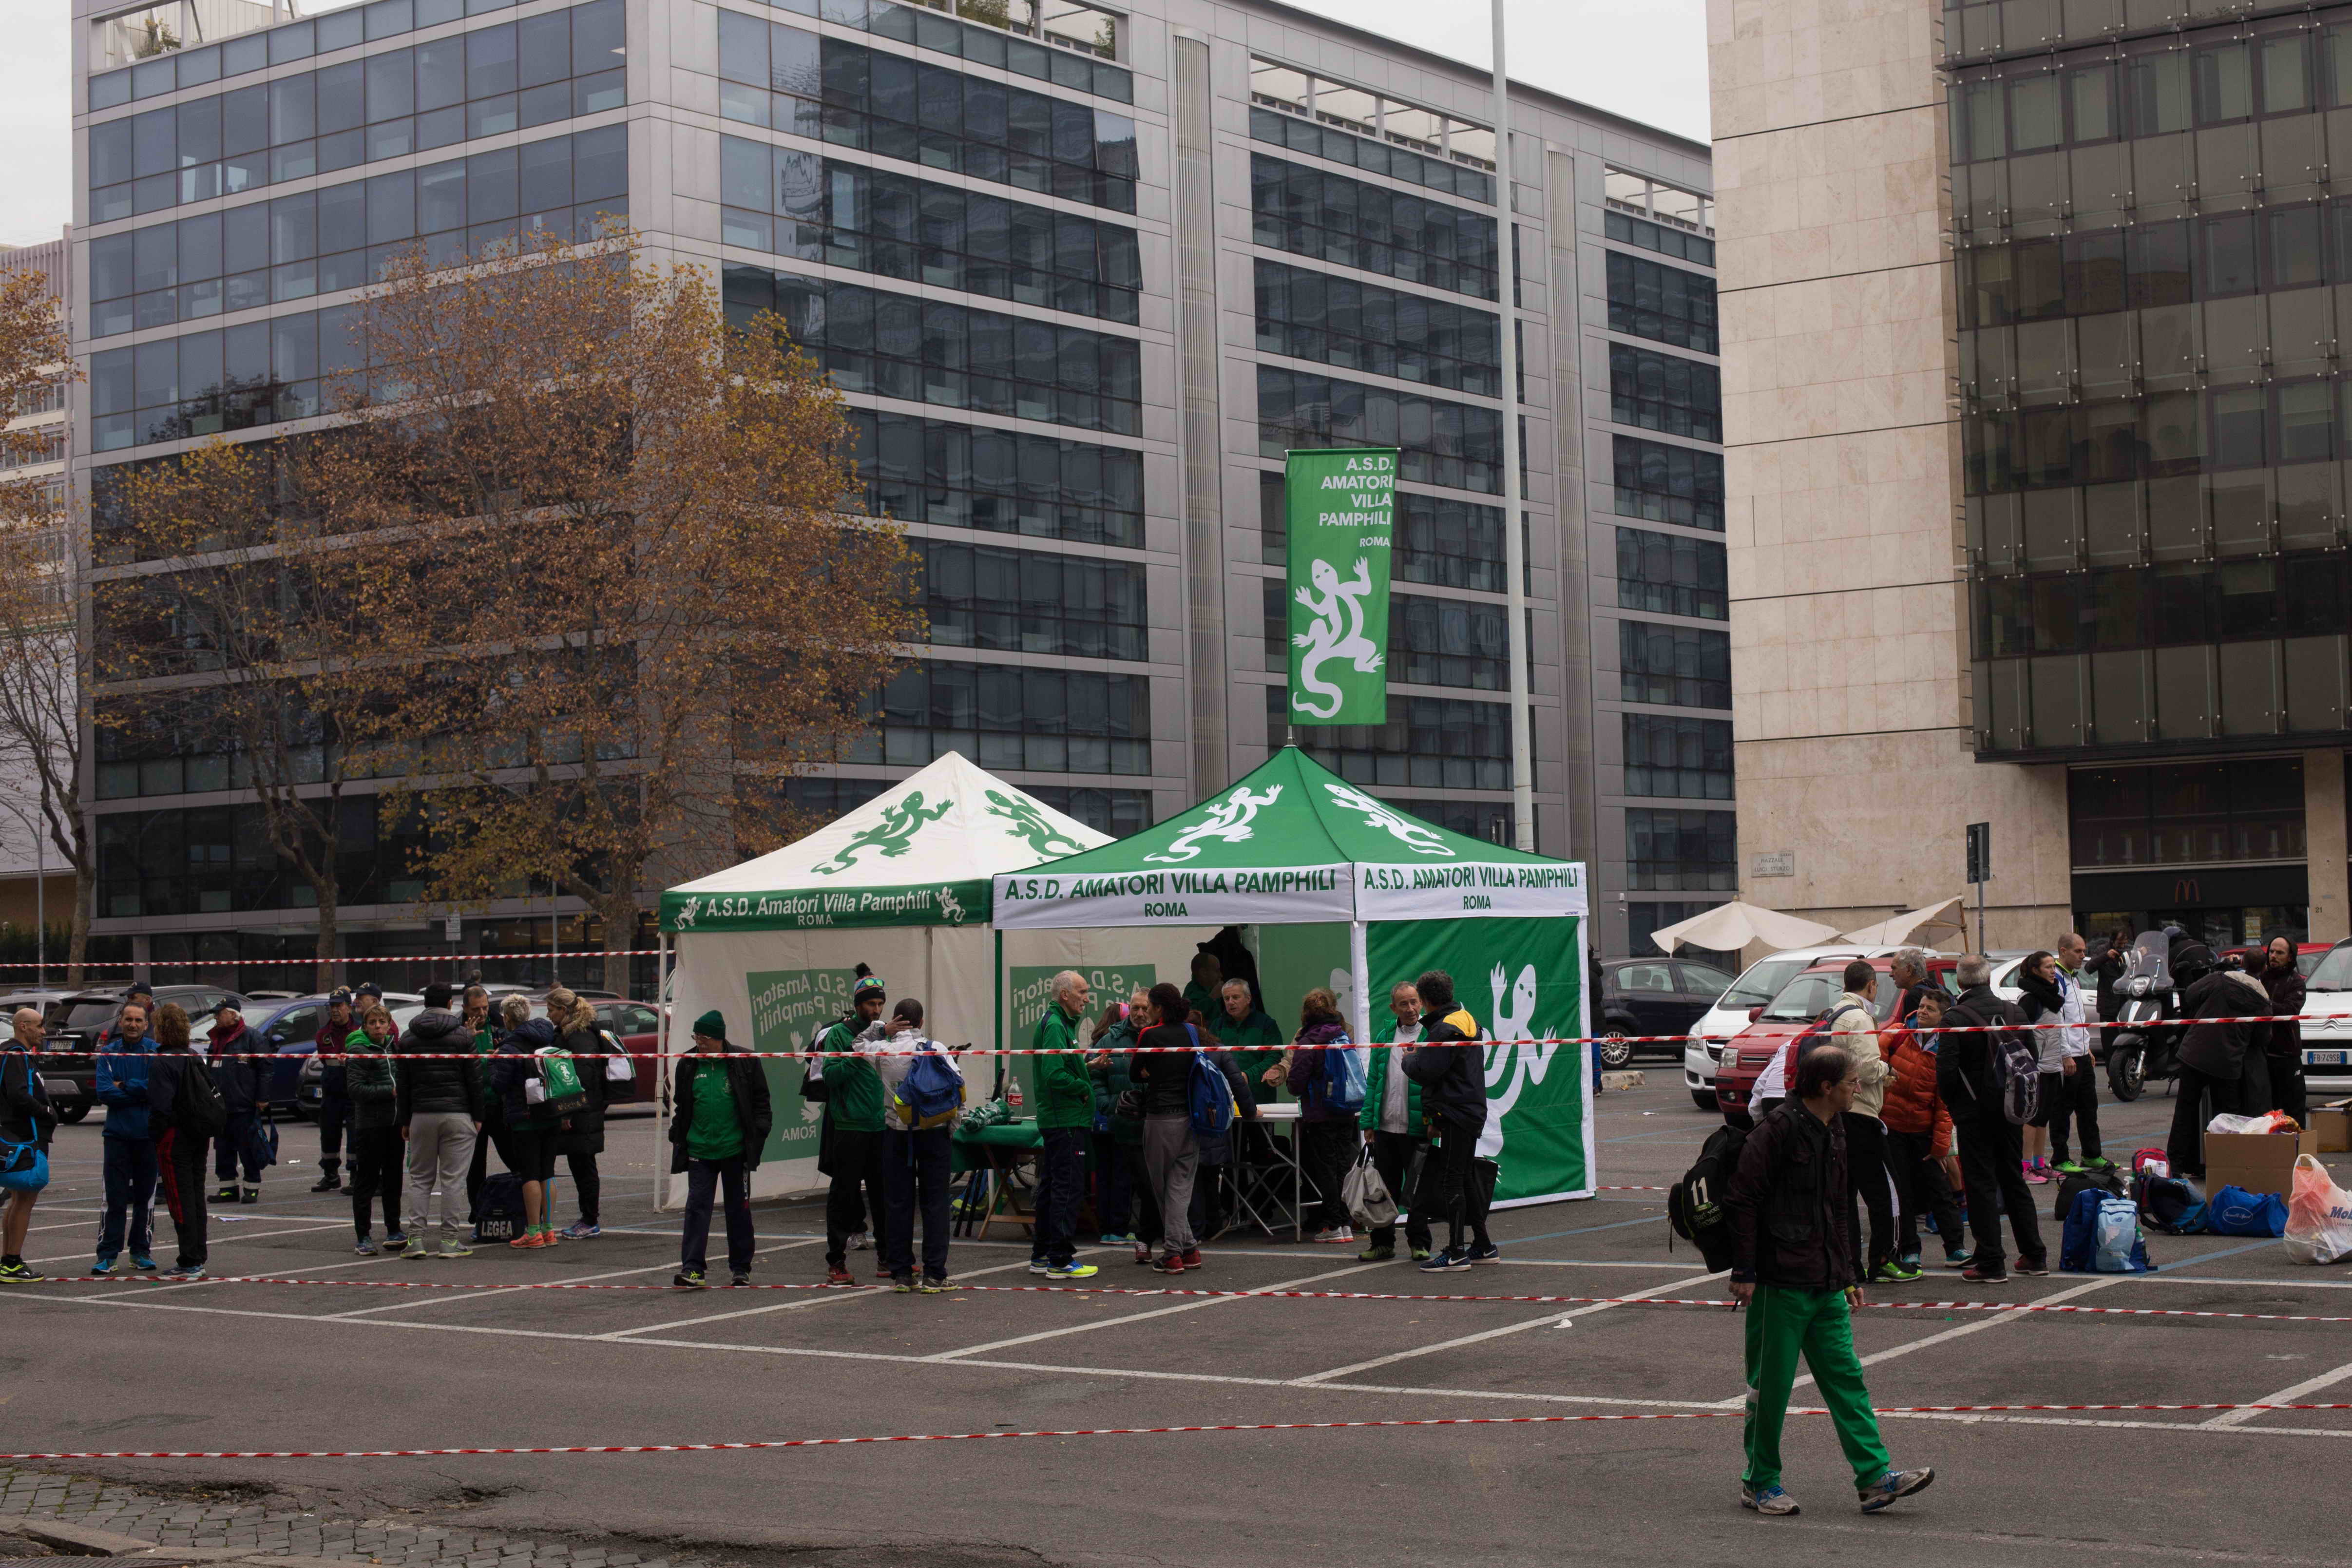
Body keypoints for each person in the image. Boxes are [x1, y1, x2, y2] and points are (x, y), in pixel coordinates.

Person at [1725, 1042, 1935, 1517]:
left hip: (1825, 1282)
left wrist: (1847, 1273)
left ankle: (1874, 1478)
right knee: (1770, 1389)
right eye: (1851, 1083)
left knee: (1847, 1380)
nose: (1857, 1089)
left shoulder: (1835, 1127)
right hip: (1780, 1284)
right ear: (1826, 1087)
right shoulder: (1776, 1131)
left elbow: (1838, 1207)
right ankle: (1760, 1482)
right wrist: (1744, 1271)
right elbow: (1742, 1200)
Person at [1938, 955, 2048, 1283]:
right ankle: (2034, 1255)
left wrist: (1956, 1108)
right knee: (2013, 1179)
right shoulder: (2016, 1012)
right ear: (1988, 979)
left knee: (1981, 1185)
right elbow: (2032, 1059)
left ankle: (1990, 1261)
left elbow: (1945, 1072)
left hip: (1974, 1113)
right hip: (2012, 1109)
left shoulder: (1955, 1017)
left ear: (1960, 982)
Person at [668, 1009, 772, 1288]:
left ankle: (741, 1268)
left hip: (735, 1150)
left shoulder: (744, 1061)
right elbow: (681, 1104)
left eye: (705, 1038)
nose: (699, 1043)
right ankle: (693, 1269)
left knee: (738, 1210)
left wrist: (758, 1135)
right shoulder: (688, 1063)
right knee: (696, 1209)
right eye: (696, 1037)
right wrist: (678, 1133)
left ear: (719, 1038)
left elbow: (761, 1102)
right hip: (699, 1150)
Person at [866, 997, 959, 1292]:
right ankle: (934, 1275)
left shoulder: (882, 1051)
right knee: (935, 1204)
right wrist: (952, 1129)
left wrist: (882, 1030)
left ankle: (902, 1275)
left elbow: (856, 1044)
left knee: (898, 1204)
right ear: (921, 1022)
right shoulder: (937, 1048)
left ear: (896, 1020)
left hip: (896, 1132)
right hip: (934, 1132)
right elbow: (957, 1090)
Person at [1404, 970, 1492, 1271]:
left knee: (1452, 1180)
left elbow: (1427, 1071)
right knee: (1464, 1177)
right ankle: (1483, 1245)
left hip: (1456, 1112)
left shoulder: (1444, 1028)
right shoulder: (1467, 1019)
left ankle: (1456, 1252)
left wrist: (1409, 1059)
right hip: (1469, 1108)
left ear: (1426, 1000)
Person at [2165, 942, 2276, 1179]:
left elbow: (2191, 994)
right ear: (2264, 969)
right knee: (2226, 1118)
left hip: (2195, 1054)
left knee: (2185, 1111)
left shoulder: (2219, 979)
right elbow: (2263, 1038)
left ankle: (2175, 1165)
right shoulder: (2263, 1000)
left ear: (2242, 963)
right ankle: (2223, 1167)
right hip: (2228, 1063)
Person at [1878, 989, 1968, 1272]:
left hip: (1924, 1131)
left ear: (1943, 1016)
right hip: (1893, 1129)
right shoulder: (1897, 1035)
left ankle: (1955, 1248)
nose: (1922, 1012)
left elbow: (1944, 1106)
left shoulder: (1947, 1047)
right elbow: (1873, 1064)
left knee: (1940, 1190)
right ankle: (1910, 1251)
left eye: (1930, 1009)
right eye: (1921, 1006)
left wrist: (1940, 1148)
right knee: (1902, 1193)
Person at [811, 975, 888, 1285]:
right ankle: (837, 1262)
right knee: (843, 1197)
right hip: (848, 1127)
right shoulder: (839, 1034)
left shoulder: (884, 1033)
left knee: (884, 1197)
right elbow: (829, 1076)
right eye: (871, 1004)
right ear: (858, 1006)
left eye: (880, 1004)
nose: (876, 1009)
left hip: (881, 1125)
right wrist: (859, 1054)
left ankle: (889, 1258)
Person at [395, 982, 481, 1259]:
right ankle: (449, 1241)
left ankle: (415, 1240)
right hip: (458, 1113)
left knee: (420, 1180)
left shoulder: (408, 1037)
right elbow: (475, 1080)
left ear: (425, 1004)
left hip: (421, 1114)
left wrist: (405, 1120)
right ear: (450, 1004)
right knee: (453, 1181)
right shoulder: (463, 1036)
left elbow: (403, 1084)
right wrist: (478, 1116)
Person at [1825, 961, 1897, 1282]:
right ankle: (1883, 1261)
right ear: (1871, 985)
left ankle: (1852, 1265)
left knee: (1846, 1197)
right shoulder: (1859, 1017)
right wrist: (1887, 1070)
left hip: (1836, 1114)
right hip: (1862, 1114)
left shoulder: (1832, 1014)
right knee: (1883, 1194)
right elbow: (1868, 1068)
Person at [1029, 971, 1100, 1281]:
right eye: (1082, 992)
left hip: (1063, 1119)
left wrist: (1086, 1068)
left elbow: (1061, 1067)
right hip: (1066, 1120)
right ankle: (1060, 1259)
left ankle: (1043, 1254)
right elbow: (1054, 1074)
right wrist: (1083, 1087)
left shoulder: (1058, 1023)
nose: (1087, 998)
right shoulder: (1056, 1025)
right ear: (1065, 995)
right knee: (1067, 1188)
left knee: (1052, 1187)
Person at [1131, 983, 1205, 1274]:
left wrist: (1151, 1072)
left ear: (1159, 1008)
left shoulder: (1149, 1035)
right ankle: (1189, 1249)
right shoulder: (1192, 1032)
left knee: (1165, 1190)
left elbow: (1135, 1073)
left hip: (1160, 1118)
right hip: (1190, 1118)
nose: (1147, 1012)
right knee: (1181, 1188)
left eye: (1149, 1007)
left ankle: (1173, 1253)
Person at [1359, 981, 1432, 1262]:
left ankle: (1419, 1243)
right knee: (1384, 1190)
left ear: (1421, 1003)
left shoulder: (1431, 1035)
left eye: (1414, 1002)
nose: (1410, 1008)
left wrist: (1433, 1121)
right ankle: (1382, 1243)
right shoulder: (1384, 1036)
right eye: (1404, 1004)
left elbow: (1436, 1083)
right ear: (1394, 1008)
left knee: (1418, 1190)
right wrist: (1368, 1122)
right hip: (1385, 1128)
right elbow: (1373, 1082)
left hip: (1418, 1128)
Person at [143, 1003, 213, 1281]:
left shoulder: (162, 1062)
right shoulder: (193, 1056)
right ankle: (197, 1255)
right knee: (195, 1196)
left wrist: (154, 1135)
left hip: (175, 1138)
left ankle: (190, 1260)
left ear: (161, 1029)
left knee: (180, 1199)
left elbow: (161, 1107)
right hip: (198, 1135)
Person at [1286, 988, 1360, 1245]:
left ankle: (1333, 1225)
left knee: (1326, 1170)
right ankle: (1346, 1223)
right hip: (1346, 1109)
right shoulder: (1342, 1034)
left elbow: (1296, 1083)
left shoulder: (1308, 1040)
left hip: (1321, 1113)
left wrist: (1296, 1086)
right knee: (1343, 1167)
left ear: (1306, 1013)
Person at [488, 996, 562, 1249]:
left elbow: (498, 1085)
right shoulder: (547, 1038)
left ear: (508, 1018)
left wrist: (492, 1063)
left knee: (530, 1174)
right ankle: (549, 1229)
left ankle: (533, 1232)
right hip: (551, 1112)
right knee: (548, 1172)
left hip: (524, 1117)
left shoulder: (510, 1047)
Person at [93, 995, 159, 1275]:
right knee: (115, 1199)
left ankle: (140, 1252)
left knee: (145, 1199)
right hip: (117, 1137)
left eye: (138, 1020)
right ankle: (107, 1255)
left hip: (148, 1137)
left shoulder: (156, 1052)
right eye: (128, 1019)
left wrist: (124, 1086)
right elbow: (104, 1092)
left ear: (146, 1024)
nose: (133, 1024)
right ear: (120, 1022)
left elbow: (156, 1090)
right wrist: (139, 1092)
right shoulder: (109, 1053)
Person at [546, 988, 610, 1240]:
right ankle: (588, 1218)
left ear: (564, 1010)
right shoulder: (571, 1032)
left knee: (584, 1166)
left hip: (584, 1111)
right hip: (584, 1109)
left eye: (551, 1010)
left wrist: (568, 1112)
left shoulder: (579, 1035)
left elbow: (582, 1076)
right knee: (580, 1165)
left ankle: (590, 1220)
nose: (549, 1015)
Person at [344, 1003, 405, 1256]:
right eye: (373, 1023)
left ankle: (394, 1230)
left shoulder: (394, 1048)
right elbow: (355, 1090)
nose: (378, 1027)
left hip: (395, 1124)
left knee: (394, 1180)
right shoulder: (359, 1050)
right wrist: (389, 1092)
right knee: (366, 1181)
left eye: (382, 1022)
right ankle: (364, 1237)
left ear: (389, 1025)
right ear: (366, 1026)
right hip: (370, 1125)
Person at [1, 1007, 57, 1282]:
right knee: (25, 1199)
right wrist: (46, 1112)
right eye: (39, 1026)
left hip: (19, 1136)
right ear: (23, 1026)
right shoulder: (15, 1055)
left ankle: (7, 1262)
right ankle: (12, 1262)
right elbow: (18, 1095)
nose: (43, 1032)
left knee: (17, 1199)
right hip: (24, 1138)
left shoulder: (16, 1054)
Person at [1089, 993, 1146, 1251]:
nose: (1140, 1013)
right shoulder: (1109, 1040)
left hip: (1150, 1124)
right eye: (1135, 1008)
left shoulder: (1159, 1038)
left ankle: (1135, 1229)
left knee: (1139, 1181)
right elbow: (1093, 1074)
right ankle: (1113, 1230)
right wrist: (1109, 1103)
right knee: (1113, 1177)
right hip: (1117, 1122)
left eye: (1145, 1008)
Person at [2046, 934, 2106, 1174]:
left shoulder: (2074, 977)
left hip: (2081, 1053)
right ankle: (2060, 1158)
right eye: (2078, 951)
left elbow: (2078, 1018)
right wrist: (2065, 1055)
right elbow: (2058, 1021)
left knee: (2089, 1108)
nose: (2083, 956)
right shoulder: (2057, 979)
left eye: (2084, 951)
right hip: (2067, 1056)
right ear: (2063, 951)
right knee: (2062, 1110)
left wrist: (2087, 1047)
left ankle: (2092, 1155)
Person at [205, 1002, 269, 1205]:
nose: (216, 1017)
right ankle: (228, 1189)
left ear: (234, 1015)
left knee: (248, 1149)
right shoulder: (216, 1038)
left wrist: (262, 1098)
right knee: (223, 1150)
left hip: (244, 1106)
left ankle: (252, 1188)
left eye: (219, 1013)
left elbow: (265, 1070)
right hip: (221, 1107)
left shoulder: (252, 1037)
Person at [2015, 950, 2065, 1186]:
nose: (2053, 972)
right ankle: (2025, 1167)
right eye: (2048, 967)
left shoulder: (2053, 995)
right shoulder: (2029, 999)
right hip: (2036, 1067)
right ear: (2035, 970)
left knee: (2044, 1118)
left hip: (2053, 1065)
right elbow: (2021, 1034)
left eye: (2054, 967)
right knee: (2032, 1119)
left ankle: (2039, 1164)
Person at [459, 985, 506, 1230]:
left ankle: (520, 1206)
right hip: (471, 1107)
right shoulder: (458, 1029)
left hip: (498, 1102)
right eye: (476, 1009)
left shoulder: (500, 1025)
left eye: (485, 1007)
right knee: (475, 1165)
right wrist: (466, 1038)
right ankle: (477, 1212)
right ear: (465, 1008)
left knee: (512, 1156)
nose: (482, 1013)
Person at [2259, 935, 2310, 1128]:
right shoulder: (2262, 978)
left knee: (2294, 1109)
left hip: (2288, 1055)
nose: (2274, 956)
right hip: (2264, 1055)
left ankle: (2298, 1145)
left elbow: (2289, 1011)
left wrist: (2262, 1003)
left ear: (2290, 957)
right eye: (2271, 951)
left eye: (2280, 953)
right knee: (2268, 1111)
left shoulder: (2296, 982)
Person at [310, 988, 357, 1192]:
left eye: (339, 1006)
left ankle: (356, 1176)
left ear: (349, 1007)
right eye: (332, 1006)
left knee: (355, 1136)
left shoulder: (359, 1031)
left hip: (354, 1091)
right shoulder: (323, 1034)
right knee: (329, 1134)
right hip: (332, 1092)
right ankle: (330, 1176)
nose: (335, 1010)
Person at [1211, 979, 1285, 1103]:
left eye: (1235, 997)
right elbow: (1209, 1058)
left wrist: (1248, 1076)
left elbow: (1274, 1058)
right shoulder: (1217, 1025)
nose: (1230, 1002)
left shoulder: (1267, 1024)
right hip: (1225, 1097)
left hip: (1259, 1097)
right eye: (1227, 999)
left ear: (1248, 999)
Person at [1181, 952, 1225, 1030]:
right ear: (1204, 973)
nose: (1221, 975)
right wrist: (1212, 997)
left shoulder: (1211, 988)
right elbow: (1190, 1015)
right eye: (1217, 971)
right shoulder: (1192, 992)